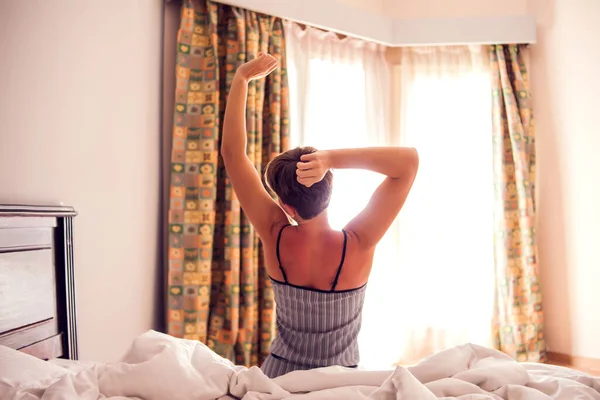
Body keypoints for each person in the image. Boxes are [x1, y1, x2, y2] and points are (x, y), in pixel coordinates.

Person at [221, 53, 419, 378]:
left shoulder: (275, 233)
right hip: (341, 385)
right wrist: (330, 158)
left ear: (286, 207)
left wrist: (242, 78)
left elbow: (233, 153)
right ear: (330, 192)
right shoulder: (359, 242)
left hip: (278, 381)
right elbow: (408, 162)